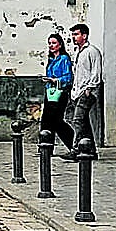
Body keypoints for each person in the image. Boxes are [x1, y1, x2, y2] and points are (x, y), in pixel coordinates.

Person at [62, 23, 102, 159]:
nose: (74, 37)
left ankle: (76, 149)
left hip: (87, 91)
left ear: (84, 36)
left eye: (76, 34)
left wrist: (89, 88)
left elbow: (96, 72)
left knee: (78, 120)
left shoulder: (92, 51)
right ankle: (90, 150)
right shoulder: (78, 52)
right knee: (83, 122)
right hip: (77, 91)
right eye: (73, 34)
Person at [40, 33, 74, 151]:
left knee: (57, 121)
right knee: (46, 119)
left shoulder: (64, 59)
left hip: (60, 93)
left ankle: (73, 143)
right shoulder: (51, 59)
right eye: (49, 43)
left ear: (60, 45)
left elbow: (68, 77)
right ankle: (45, 147)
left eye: (54, 43)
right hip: (50, 91)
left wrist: (56, 80)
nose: (51, 45)